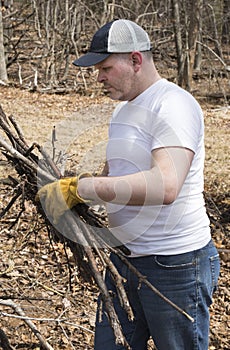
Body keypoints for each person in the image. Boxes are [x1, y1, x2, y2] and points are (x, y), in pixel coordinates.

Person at [37, 19, 220, 350]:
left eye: (105, 67)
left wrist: (83, 188)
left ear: (136, 60)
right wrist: (74, 195)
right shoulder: (122, 111)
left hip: (175, 265)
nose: (99, 77)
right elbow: (115, 179)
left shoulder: (173, 105)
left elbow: (165, 185)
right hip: (125, 259)